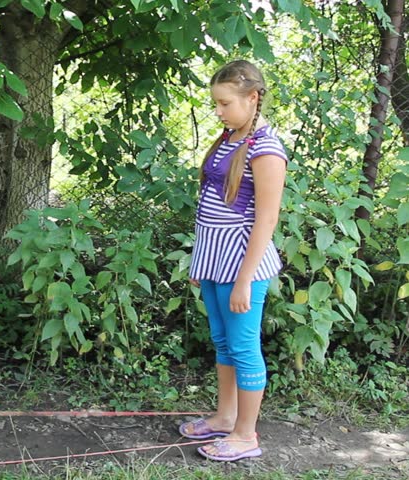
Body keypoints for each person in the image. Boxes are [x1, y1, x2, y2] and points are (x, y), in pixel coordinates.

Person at [178, 60, 288, 462]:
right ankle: (225, 417)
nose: (218, 111)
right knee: (223, 342)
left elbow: (267, 218)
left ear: (252, 97)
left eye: (225, 103)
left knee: (244, 347)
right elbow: (211, 206)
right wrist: (200, 262)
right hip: (214, 259)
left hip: (242, 264)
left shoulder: (266, 148)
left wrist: (244, 281)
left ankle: (246, 435)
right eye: (216, 104)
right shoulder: (229, 138)